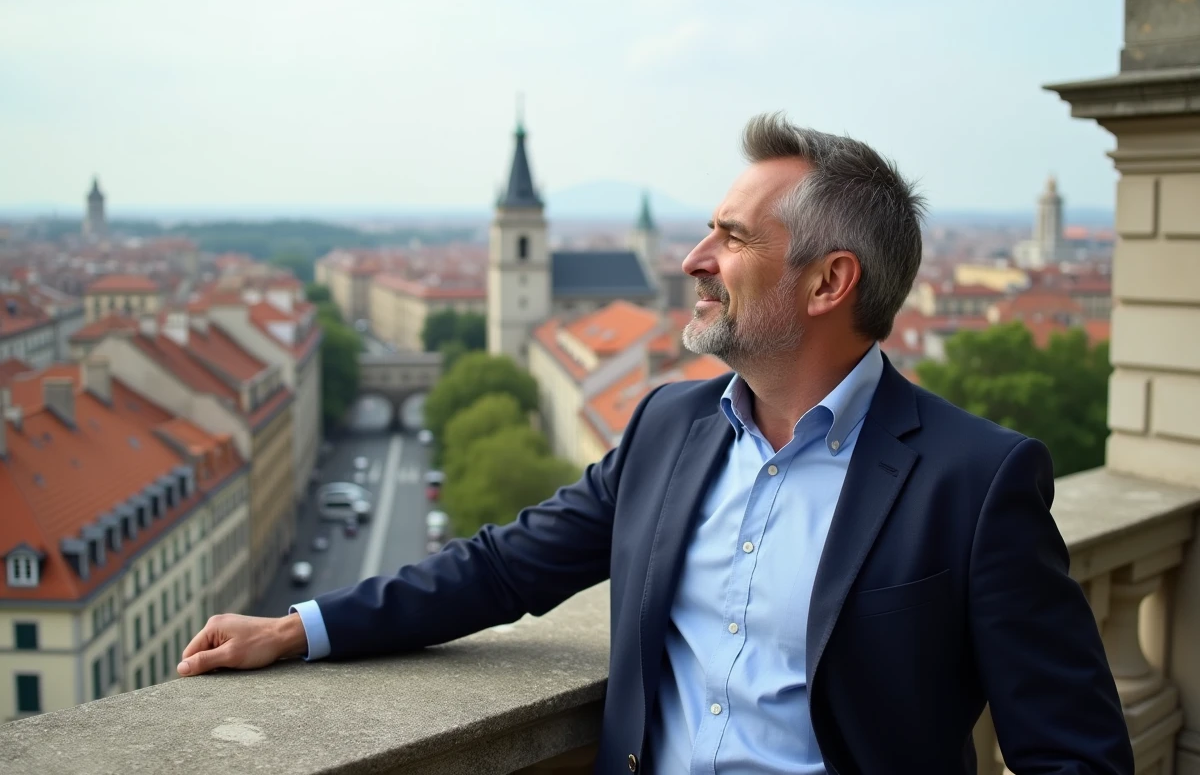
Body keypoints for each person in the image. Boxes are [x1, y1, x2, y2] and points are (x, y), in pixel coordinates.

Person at [179, 113, 1133, 774]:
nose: (692, 261)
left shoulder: (974, 481)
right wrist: (300, 628)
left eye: (731, 238)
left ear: (828, 281)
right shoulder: (669, 427)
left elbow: (1074, 753)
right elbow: (504, 567)